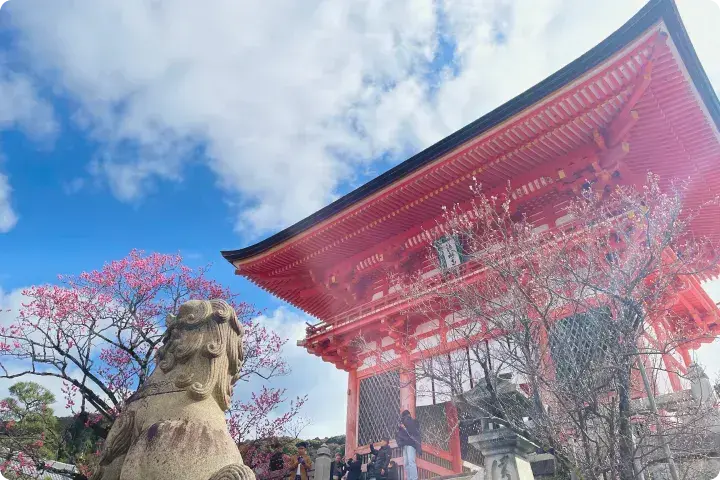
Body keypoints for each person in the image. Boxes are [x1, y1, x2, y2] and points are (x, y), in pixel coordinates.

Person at [396, 410, 421, 480]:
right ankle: (409, 478)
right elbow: (399, 435)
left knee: (411, 461)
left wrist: (405, 425)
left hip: (411, 444)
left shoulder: (414, 421)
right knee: (406, 462)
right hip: (405, 444)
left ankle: (414, 478)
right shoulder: (402, 424)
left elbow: (413, 431)